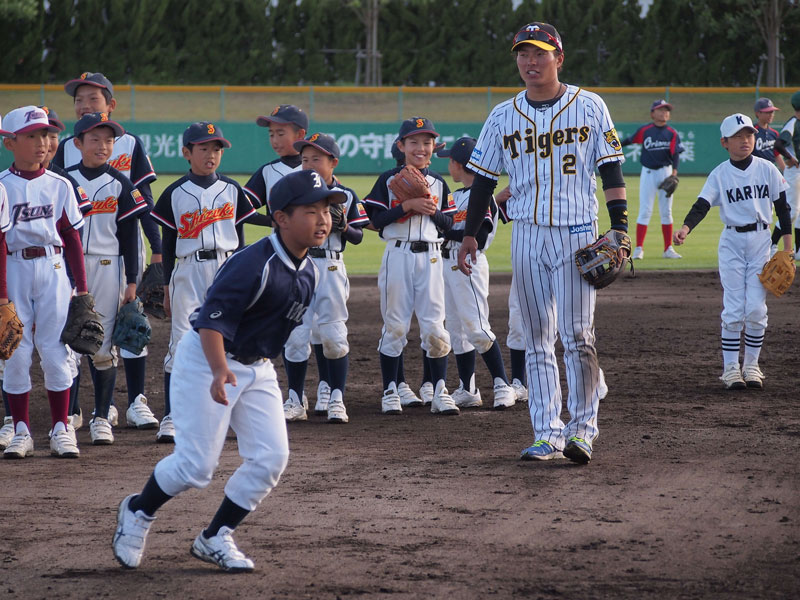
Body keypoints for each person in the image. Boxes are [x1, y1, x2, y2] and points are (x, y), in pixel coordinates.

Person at [112, 169, 344, 572]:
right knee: (195, 467)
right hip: (207, 359)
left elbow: (270, 332)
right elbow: (210, 324)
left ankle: (215, 536)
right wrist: (220, 371)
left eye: (326, 209)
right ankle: (138, 510)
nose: (323, 219)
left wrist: (254, 374)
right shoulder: (252, 264)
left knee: (271, 457)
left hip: (255, 367)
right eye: (311, 210)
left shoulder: (310, 271)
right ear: (281, 218)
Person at [458, 22, 627, 464]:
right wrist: (470, 234)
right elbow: (483, 183)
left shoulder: (590, 106)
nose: (530, 62)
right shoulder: (502, 115)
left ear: (559, 58)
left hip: (577, 234)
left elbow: (611, 169)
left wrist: (620, 226)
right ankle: (546, 432)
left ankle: (582, 430)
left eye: (539, 54)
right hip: (528, 235)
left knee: (576, 334)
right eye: (523, 55)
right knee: (535, 338)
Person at [53, 71, 162, 431]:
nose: (85, 104)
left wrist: (155, 254)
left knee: (125, 330)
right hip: (69, 260)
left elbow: (140, 208)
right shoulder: (63, 152)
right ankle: (72, 411)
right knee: (70, 336)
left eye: (93, 99)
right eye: (79, 99)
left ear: (110, 105)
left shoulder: (127, 150)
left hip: (113, 256)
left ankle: (131, 402)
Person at [151, 122, 254, 442]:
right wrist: (167, 286)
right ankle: (172, 415)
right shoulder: (174, 193)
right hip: (189, 270)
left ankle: (233, 414)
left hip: (227, 267)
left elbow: (240, 240)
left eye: (217, 148)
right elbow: (168, 244)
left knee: (233, 341)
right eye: (204, 148)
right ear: (186, 153)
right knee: (181, 343)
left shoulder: (232, 189)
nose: (212, 154)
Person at [673, 113, 792, 389]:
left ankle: (751, 365)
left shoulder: (767, 169)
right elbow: (701, 205)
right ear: (724, 142)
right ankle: (730, 370)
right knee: (734, 308)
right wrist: (685, 228)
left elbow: (783, 209)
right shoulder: (719, 174)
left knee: (755, 308)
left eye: (749, 135)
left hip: (762, 242)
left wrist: (787, 249)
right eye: (738, 137)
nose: (745, 141)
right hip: (732, 245)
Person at [1, 106, 89, 459]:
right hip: (14, 267)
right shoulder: (3, 187)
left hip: (53, 269)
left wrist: (82, 289)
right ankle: (20, 429)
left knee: (55, 350)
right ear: (10, 142)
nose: (41, 143)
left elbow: (71, 238)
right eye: (31, 136)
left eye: (44, 135)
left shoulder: (60, 185)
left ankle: (60, 427)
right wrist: (3, 296)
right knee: (15, 352)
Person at [65, 112, 150, 445]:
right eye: (95, 139)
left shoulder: (121, 183)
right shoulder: (63, 179)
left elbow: (130, 236)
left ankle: (102, 417)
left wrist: (132, 281)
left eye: (109, 140)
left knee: (102, 346)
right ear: (78, 144)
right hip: (69, 269)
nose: (103, 146)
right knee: (67, 346)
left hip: (108, 265)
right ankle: (68, 415)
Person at [364, 117, 458, 415]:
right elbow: (375, 222)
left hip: (431, 257)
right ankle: (391, 390)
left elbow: (450, 226)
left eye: (427, 142)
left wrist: (428, 207)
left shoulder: (439, 184)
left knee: (435, 328)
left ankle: (440, 390)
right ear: (401, 146)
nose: (421, 148)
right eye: (414, 142)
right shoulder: (388, 180)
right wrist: (405, 206)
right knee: (395, 326)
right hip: (398, 256)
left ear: (434, 147)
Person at [282, 134, 369, 423]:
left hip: (331, 269)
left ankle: (336, 398)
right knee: (295, 335)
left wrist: (342, 226)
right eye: (304, 159)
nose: (308, 164)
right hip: (299, 270)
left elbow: (357, 236)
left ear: (333, 162)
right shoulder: (294, 193)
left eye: (315, 159)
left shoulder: (345, 195)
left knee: (332, 336)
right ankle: (295, 399)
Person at [436, 137, 516, 410]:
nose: (448, 165)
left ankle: (503, 384)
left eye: (450, 160)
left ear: (460, 165)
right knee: (457, 331)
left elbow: (479, 237)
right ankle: (468, 388)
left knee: (477, 328)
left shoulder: (481, 197)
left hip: (469, 264)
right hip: (448, 265)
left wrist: (444, 229)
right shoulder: (454, 197)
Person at [620, 99, 683, 260]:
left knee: (666, 212)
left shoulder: (672, 133)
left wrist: (674, 173)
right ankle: (639, 249)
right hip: (648, 173)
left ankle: (668, 249)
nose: (665, 113)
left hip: (666, 172)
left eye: (667, 110)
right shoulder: (646, 130)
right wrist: (614, 146)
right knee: (645, 210)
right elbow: (629, 141)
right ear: (652, 113)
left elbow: (676, 153)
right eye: (661, 110)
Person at [243, 104, 308, 222]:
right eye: (271, 134)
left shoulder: (316, 169)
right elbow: (241, 206)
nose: (275, 140)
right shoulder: (267, 171)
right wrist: (270, 222)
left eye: (280, 134)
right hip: (279, 240)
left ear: (300, 134)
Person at [773, 91, 800, 256]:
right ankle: (772, 244)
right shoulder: (793, 122)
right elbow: (778, 144)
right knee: (792, 211)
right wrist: (791, 157)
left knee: (799, 212)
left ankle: (798, 249)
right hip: (795, 171)